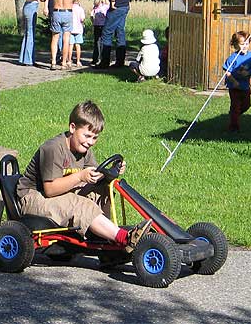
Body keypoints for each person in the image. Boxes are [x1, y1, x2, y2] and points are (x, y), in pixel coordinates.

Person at [16, 100, 152, 252]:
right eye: (87, 136)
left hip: (57, 193)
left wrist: (111, 173)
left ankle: (107, 244)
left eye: (95, 138)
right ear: (72, 127)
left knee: (103, 191)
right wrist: (80, 176)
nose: (90, 142)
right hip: (32, 197)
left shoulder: (84, 150)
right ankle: (124, 238)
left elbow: (93, 176)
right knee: (79, 204)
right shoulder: (53, 149)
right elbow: (50, 189)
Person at [44, 0, 80, 66]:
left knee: (55, 38)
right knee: (66, 38)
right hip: (68, 12)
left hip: (56, 11)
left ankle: (53, 61)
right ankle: (64, 62)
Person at [222, 31, 251, 132]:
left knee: (246, 105)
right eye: (242, 44)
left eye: (247, 43)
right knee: (235, 105)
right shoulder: (233, 58)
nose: (245, 46)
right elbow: (227, 71)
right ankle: (234, 127)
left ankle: (234, 114)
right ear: (235, 45)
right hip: (234, 87)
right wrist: (233, 81)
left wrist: (248, 73)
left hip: (245, 86)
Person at [19, 0, 48, 66]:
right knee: (30, 33)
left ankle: (25, 57)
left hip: (32, 7)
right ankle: (28, 59)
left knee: (28, 33)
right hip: (30, 7)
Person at [90, 0, 109, 66]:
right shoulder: (107, 7)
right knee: (103, 42)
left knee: (97, 42)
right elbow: (107, 16)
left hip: (96, 25)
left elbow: (91, 16)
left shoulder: (96, 7)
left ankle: (95, 58)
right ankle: (102, 58)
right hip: (104, 25)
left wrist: (93, 22)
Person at [68, 0, 86, 68]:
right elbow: (82, 19)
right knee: (78, 45)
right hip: (78, 29)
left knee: (70, 45)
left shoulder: (70, 8)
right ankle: (78, 61)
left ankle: (69, 60)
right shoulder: (80, 9)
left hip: (71, 29)